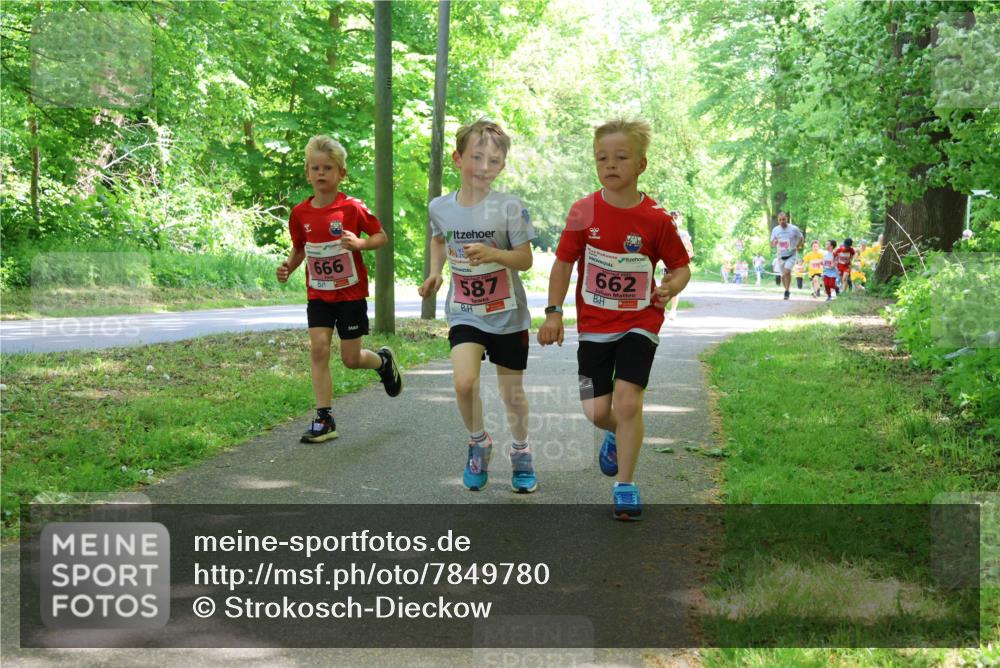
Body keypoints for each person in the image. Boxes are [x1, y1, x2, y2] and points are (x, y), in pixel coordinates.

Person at [537, 118, 691, 520]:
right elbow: (563, 264)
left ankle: (625, 484)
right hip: (593, 327)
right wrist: (554, 313)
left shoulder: (657, 218)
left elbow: (680, 267)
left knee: (627, 401)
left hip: (641, 320)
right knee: (595, 410)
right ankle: (614, 434)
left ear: (641, 164)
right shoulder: (583, 210)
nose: (610, 164)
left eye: (621, 157)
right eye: (602, 157)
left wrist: (672, 286)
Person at [417, 119, 537, 494]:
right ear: (457, 158)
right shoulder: (440, 206)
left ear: (502, 166)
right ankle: (478, 442)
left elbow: (525, 260)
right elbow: (439, 240)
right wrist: (436, 273)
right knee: (464, 381)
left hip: (506, 312)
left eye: (494, 160)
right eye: (477, 157)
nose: (484, 167)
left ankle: (521, 451)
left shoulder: (509, 208)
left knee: (510, 393)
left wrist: (492, 253)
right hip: (466, 309)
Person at [277, 135, 402, 443]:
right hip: (318, 293)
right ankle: (324, 418)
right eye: (315, 168)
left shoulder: (351, 208)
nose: (321, 174)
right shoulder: (300, 213)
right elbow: (299, 248)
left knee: (351, 358)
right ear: (307, 172)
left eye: (328, 168)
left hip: (350, 294)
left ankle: (383, 362)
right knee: (318, 349)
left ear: (341, 173)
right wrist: (288, 267)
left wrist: (360, 243)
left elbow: (380, 236)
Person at [769, 211, 805, 300]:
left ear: (787, 219)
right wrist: (774, 242)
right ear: (778, 220)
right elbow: (772, 243)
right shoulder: (775, 229)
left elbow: (801, 238)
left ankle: (786, 291)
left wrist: (797, 246)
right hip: (780, 255)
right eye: (780, 220)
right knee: (783, 275)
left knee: (787, 272)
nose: (782, 221)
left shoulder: (794, 228)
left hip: (791, 254)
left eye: (784, 219)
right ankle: (787, 290)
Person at [666, 210, 694, 320]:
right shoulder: (665, 232)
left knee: (676, 288)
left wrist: (682, 259)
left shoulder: (683, 234)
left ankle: (673, 310)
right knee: (667, 287)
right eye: (672, 217)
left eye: (676, 218)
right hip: (666, 265)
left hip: (678, 265)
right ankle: (664, 309)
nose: (674, 219)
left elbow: (691, 252)